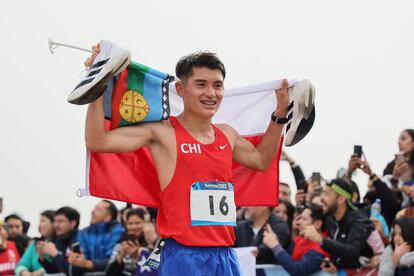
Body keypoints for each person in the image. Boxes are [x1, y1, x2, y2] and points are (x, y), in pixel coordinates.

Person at [82, 42, 301, 276]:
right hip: (183, 256)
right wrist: (99, 85)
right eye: (201, 84)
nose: (211, 93)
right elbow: (98, 141)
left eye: (218, 85)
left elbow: (262, 160)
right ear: (180, 89)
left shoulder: (227, 134)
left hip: (225, 255)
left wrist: (279, 115)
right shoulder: (162, 133)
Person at [306, 178, 375, 273]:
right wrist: (333, 264)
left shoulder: (359, 221)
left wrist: (320, 239)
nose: (321, 198)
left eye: (326, 194)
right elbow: (339, 249)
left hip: (366, 271)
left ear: (341, 199)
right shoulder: (331, 219)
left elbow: (353, 251)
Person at [263, 204, 329, 276]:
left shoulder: (323, 246)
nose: (298, 222)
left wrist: (275, 245)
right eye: (300, 218)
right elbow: (284, 261)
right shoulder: (299, 239)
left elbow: (298, 270)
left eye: (304, 219)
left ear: (317, 224)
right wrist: (274, 241)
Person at [69, 200, 124, 274]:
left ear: (107, 217)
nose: (93, 211)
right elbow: (83, 256)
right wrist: (78, 259)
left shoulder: (118, 231)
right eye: (94, 208)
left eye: (98, 210)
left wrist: (87, 264)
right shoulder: (84, 232)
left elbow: (113, 260)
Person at [106, 208, 152, 276]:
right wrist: (121, 256)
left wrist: (138, 253)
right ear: (126, 226)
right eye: (130, 223)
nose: (133, 227)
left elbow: (155, 269)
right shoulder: (120, 245)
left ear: (145, 224)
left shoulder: (152, 244)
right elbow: (109, 273)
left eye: (138, 223)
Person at [37, 206, 80, 275]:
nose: (56, 225)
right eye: (55, 221)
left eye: (60, 221)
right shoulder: (60, 240)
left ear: (73, 223)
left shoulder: (79, 241)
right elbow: (55, 271)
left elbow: (74, 271)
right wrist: (42, 258)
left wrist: (54, 254)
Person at [15, 210, 55, 276]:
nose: (40, 225)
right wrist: (23, 272)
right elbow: (22, 264)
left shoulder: (61, 242)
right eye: (40, 221)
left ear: (53, 223)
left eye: (43, 221)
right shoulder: (35, 243)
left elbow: (60, 266)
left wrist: (42, 271)